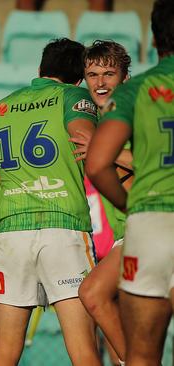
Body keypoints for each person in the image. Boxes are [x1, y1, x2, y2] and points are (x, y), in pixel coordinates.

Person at [0, 38, 101, 365]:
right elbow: (85, 139)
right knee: (82, 351)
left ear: (39, 70)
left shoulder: (3, 105)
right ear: (79, 77)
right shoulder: (74, 95)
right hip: (61, 227)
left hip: (11, 230)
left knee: (5, 352)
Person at [86, 1, 174, 363]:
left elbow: (97, 163)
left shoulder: (138, 89)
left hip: (149, 224)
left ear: (153, 37)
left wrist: (130, 205)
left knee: (141, 355)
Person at [74, 40, 132, 364]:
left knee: (92, 293)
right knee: (115, 336)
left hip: (145, 225)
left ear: (125, 78)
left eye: (108, 73)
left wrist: (104, 149)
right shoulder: (89, 117)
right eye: (93, 74)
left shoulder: (136, 111)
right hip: (113, 237)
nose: (100, 82)